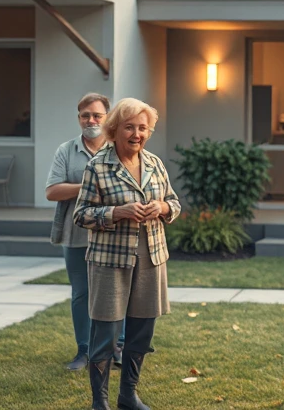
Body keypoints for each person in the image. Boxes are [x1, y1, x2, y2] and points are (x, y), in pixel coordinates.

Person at [74, 97, 181, 410]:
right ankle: (100, 402)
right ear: (114, 129)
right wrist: (117, 212)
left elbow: (174, 203)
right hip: (110, 262)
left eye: (143, 128)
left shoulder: (155, 164)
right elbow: (81, 214)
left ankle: (128, 396)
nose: (137, 133)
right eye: (130, 127)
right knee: (105, 334)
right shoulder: (97, 166)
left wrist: (161, 207)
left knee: (141, 333)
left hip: (151, 260)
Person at [45, 93, 126, 371]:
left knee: (116, 291)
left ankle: (117, 347)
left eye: (96, 115)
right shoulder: (66, 151)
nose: (90, 120)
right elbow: (52, 191)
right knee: (81, 293)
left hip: (114, 235)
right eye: (84, 115)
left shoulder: (120, 149)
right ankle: (85, 351)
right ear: (79, 118)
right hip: (77, 234)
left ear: (107, 117)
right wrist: (88, 186)